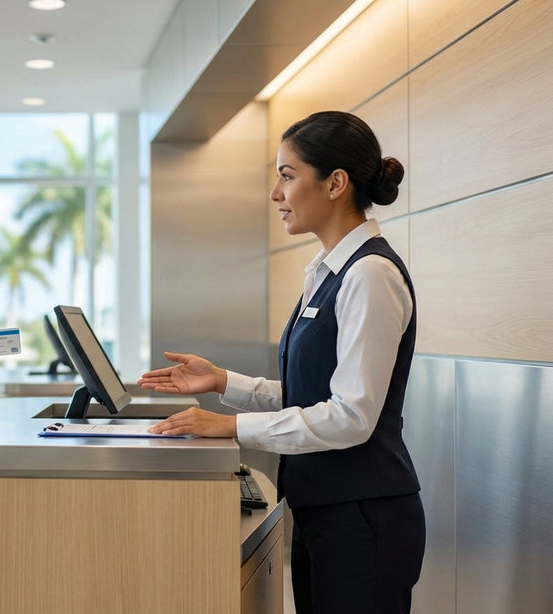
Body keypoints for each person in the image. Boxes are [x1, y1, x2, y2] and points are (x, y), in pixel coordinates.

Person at [139, 111, 425, 614]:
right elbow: (313, 393)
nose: (275, 193)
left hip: (362, 518)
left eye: (287, 176)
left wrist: (231, 427)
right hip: (324, 512)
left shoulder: (370, 275)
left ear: (335, 183)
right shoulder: (327, 271)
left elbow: (352, 417)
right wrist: (224, 381)